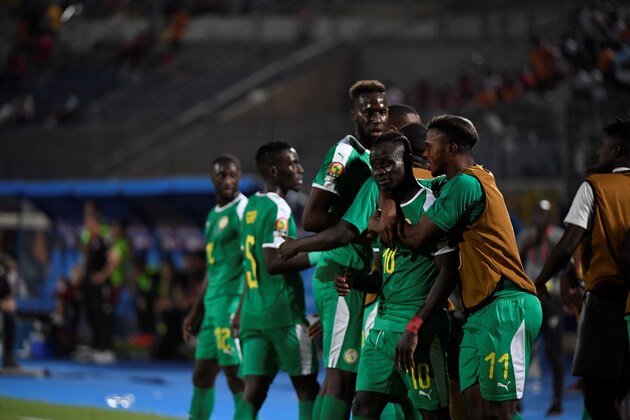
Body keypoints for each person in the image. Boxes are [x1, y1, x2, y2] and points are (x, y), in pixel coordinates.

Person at [379, 115, 542, 419]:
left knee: (500, 412)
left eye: (430, 147)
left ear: (451, 149)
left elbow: (416, 237)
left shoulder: (466, 183)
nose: (424, 153)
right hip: (478, 313)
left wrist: (383, 222)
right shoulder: (451, 183)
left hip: (506, 304)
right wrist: (388, 199)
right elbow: (404, 185)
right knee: (473, 407)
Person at [336, 132, 457, 419]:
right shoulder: (381, 213)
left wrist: (415, 327)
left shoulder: (430, 203)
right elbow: (381, 276)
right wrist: (354, 279)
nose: (380, 172)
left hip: (419, 327)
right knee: (363, 406)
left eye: (387, 164)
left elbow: (449, 271)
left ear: (407, 161)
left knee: (432, 414)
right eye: (375, 165)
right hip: (382, 326)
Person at [298, 80, 388, 420]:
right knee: (343, 377)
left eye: (383, 111)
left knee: (341, 375)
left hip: (354, 276)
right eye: (370, 112)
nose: (377, 118)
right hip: (341, 273)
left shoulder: (374, 155)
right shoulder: (345, 154)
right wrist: (358, 231)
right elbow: (311, 217)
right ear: (355, 116)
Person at [534, 116, 630, 419]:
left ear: (616, 152)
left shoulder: (595, 187)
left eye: (602, 147)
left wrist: (539, 281)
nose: (597, 153)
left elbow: (566, 245)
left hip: (607, 303)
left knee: (598, 398)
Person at [233, 142, 319, 420]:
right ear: (273, 170)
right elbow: (272, 262)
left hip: (253, 316)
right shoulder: (279, 208)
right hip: (283, 316)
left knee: (253, 392)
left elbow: (252, 263)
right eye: (292, 164)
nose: (300, 169)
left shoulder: (250, 206)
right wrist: (323, 255)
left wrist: (240, 309)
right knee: (308, 390)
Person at [183, 154, 248, 420]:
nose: (228, 180)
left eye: (233, 175)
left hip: (230, 305)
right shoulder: (212, 216)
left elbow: (252, 263)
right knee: (201, 376)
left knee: (236, 377)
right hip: (212, 308)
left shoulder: (243, 210)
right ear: (212, 178)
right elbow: (212, 269)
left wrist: (242, 310)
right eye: (222, 175)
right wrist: (195, 311)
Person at [517, 200, 565, 416]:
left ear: (550, 216)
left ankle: (557, 400)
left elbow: (568, 259)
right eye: (537, 213)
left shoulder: (557, 236)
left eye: (544, 214)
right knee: (523, 352)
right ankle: (517, 399)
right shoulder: (526, 236)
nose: (540, 218)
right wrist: (532, 242)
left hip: (551, 299)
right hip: (530, 297)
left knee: (555, 352)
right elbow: (514, 258)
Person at [82, 210, 116, 364]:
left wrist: (102, 276)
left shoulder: (104, 241)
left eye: (90, 223)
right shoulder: (91, 243)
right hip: (90, 287)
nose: (88, 226)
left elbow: (114, 259)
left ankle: (106, 349)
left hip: (102, 286)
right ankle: (96, 347)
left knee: (103, 315)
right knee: (92, 314)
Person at [0, 257, 17, 368]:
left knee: (10, 319)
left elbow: (9, 297)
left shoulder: (5, 279)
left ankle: (8, 356)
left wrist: (10, 303)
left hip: (4, 312)